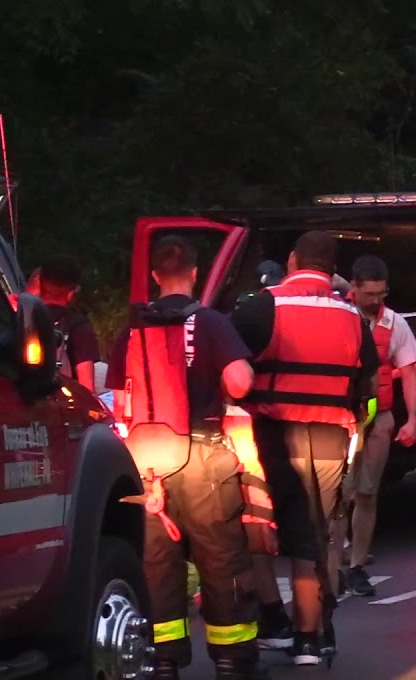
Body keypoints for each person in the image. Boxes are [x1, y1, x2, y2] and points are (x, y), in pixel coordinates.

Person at [105, 236, 267, 680]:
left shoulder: (131, 330)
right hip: (203, 458)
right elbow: (239, 383)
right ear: (195, 273)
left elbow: (121, 403)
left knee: (156, 564)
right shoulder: (211, 323)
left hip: (147, 463)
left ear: (154, 276)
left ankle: (162, 661)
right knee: (221, 559)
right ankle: (233, 661)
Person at [231, 231, 380, 664]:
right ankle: (315, 635)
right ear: (332, 268)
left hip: (277, 432)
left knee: (280, 528)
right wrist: (360, 419)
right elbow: (368, 384)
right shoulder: (352, 315)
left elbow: (231, 364)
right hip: (334, 432)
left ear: (293, 260)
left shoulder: (264, 305)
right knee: (317, 532)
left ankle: (294, 630)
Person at [339, 255, 416, 597]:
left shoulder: (394, 323)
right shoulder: (338, 316)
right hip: (342, 421)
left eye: (381, 294)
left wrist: (413, 419)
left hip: (379, 420)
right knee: (337, 495)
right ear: (354, 287)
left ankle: (357, 565)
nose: (376, 301)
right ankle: (333, 565)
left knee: (367, 492)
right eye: (370, 294)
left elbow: (409, 373)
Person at [29, 255, 100, 392]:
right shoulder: (78, 326)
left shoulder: (21, 318)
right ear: (71, 293)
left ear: (39, 284)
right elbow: (87, 386)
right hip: (60, 407)